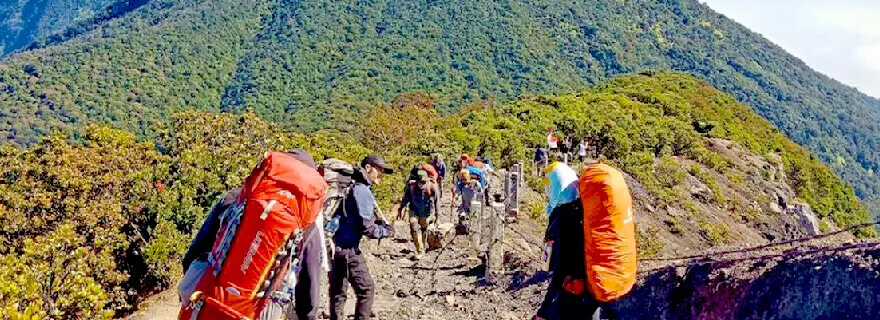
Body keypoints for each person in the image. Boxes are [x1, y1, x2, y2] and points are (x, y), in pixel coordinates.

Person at [179, 149, 323, 319]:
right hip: (257, 313)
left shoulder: (234, 198)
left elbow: (195, 253)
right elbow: (309, 286)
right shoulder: (307, 227)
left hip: (208, 301)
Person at [535, 160, 617, 320]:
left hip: (573, 296)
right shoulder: (583, 210)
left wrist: (544, 310)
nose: (546, 189)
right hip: (592, 292)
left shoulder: (564, 219)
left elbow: (561, 266)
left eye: (549, 184)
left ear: (557, 186)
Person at [329, 155, 395, 320]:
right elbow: (368, 228)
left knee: (338, 291)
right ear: (368, 168)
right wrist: (385, 231)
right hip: (348, 249)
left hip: (332, 245)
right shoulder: (361, 190)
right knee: (366, 290)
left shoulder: (351, 186)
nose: (381, 174)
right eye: (379, 169)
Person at [397, 169, 440, 260]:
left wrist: (437, 216)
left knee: (424, 229)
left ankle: (423, 247)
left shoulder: (432, 187)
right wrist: (400, 209)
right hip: (414, 210)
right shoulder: (411, 186)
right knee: (414, 227)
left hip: (427, 212)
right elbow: (406, 198)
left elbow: (437, 202)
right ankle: (420, 250)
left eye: (423, 182)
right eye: (420, 182)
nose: (421, 184)